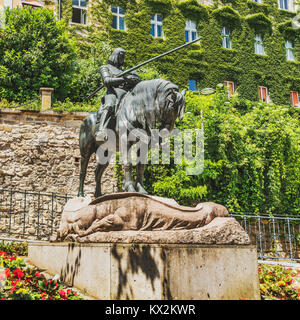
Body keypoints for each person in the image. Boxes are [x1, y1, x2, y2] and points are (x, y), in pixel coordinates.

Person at [95, 48, 141, 142]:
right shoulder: (105, 67)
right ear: (115, 55)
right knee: (109, 106)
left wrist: (134, 79)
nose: (122, 58)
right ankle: (101, 130)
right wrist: (125, 79)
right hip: (113, 93)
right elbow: (107, 81)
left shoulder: (124, 71)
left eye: (123, 57)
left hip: (127, 94)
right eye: (121, 56)